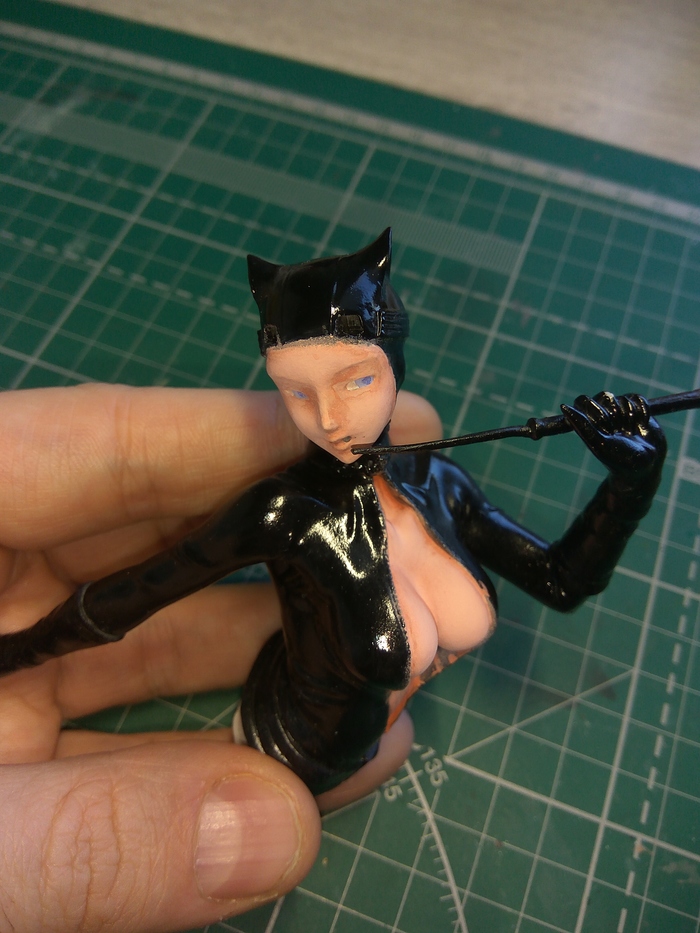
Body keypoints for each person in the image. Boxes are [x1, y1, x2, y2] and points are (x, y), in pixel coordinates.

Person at [0, 377, 441, 932]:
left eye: (357, 379)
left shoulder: (434, 487)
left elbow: (545, 572)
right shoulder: (286, 509)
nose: (331, 415)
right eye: (301, 390)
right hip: (295, 739)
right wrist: (19, 650)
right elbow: (149, 586)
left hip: (356, 731)